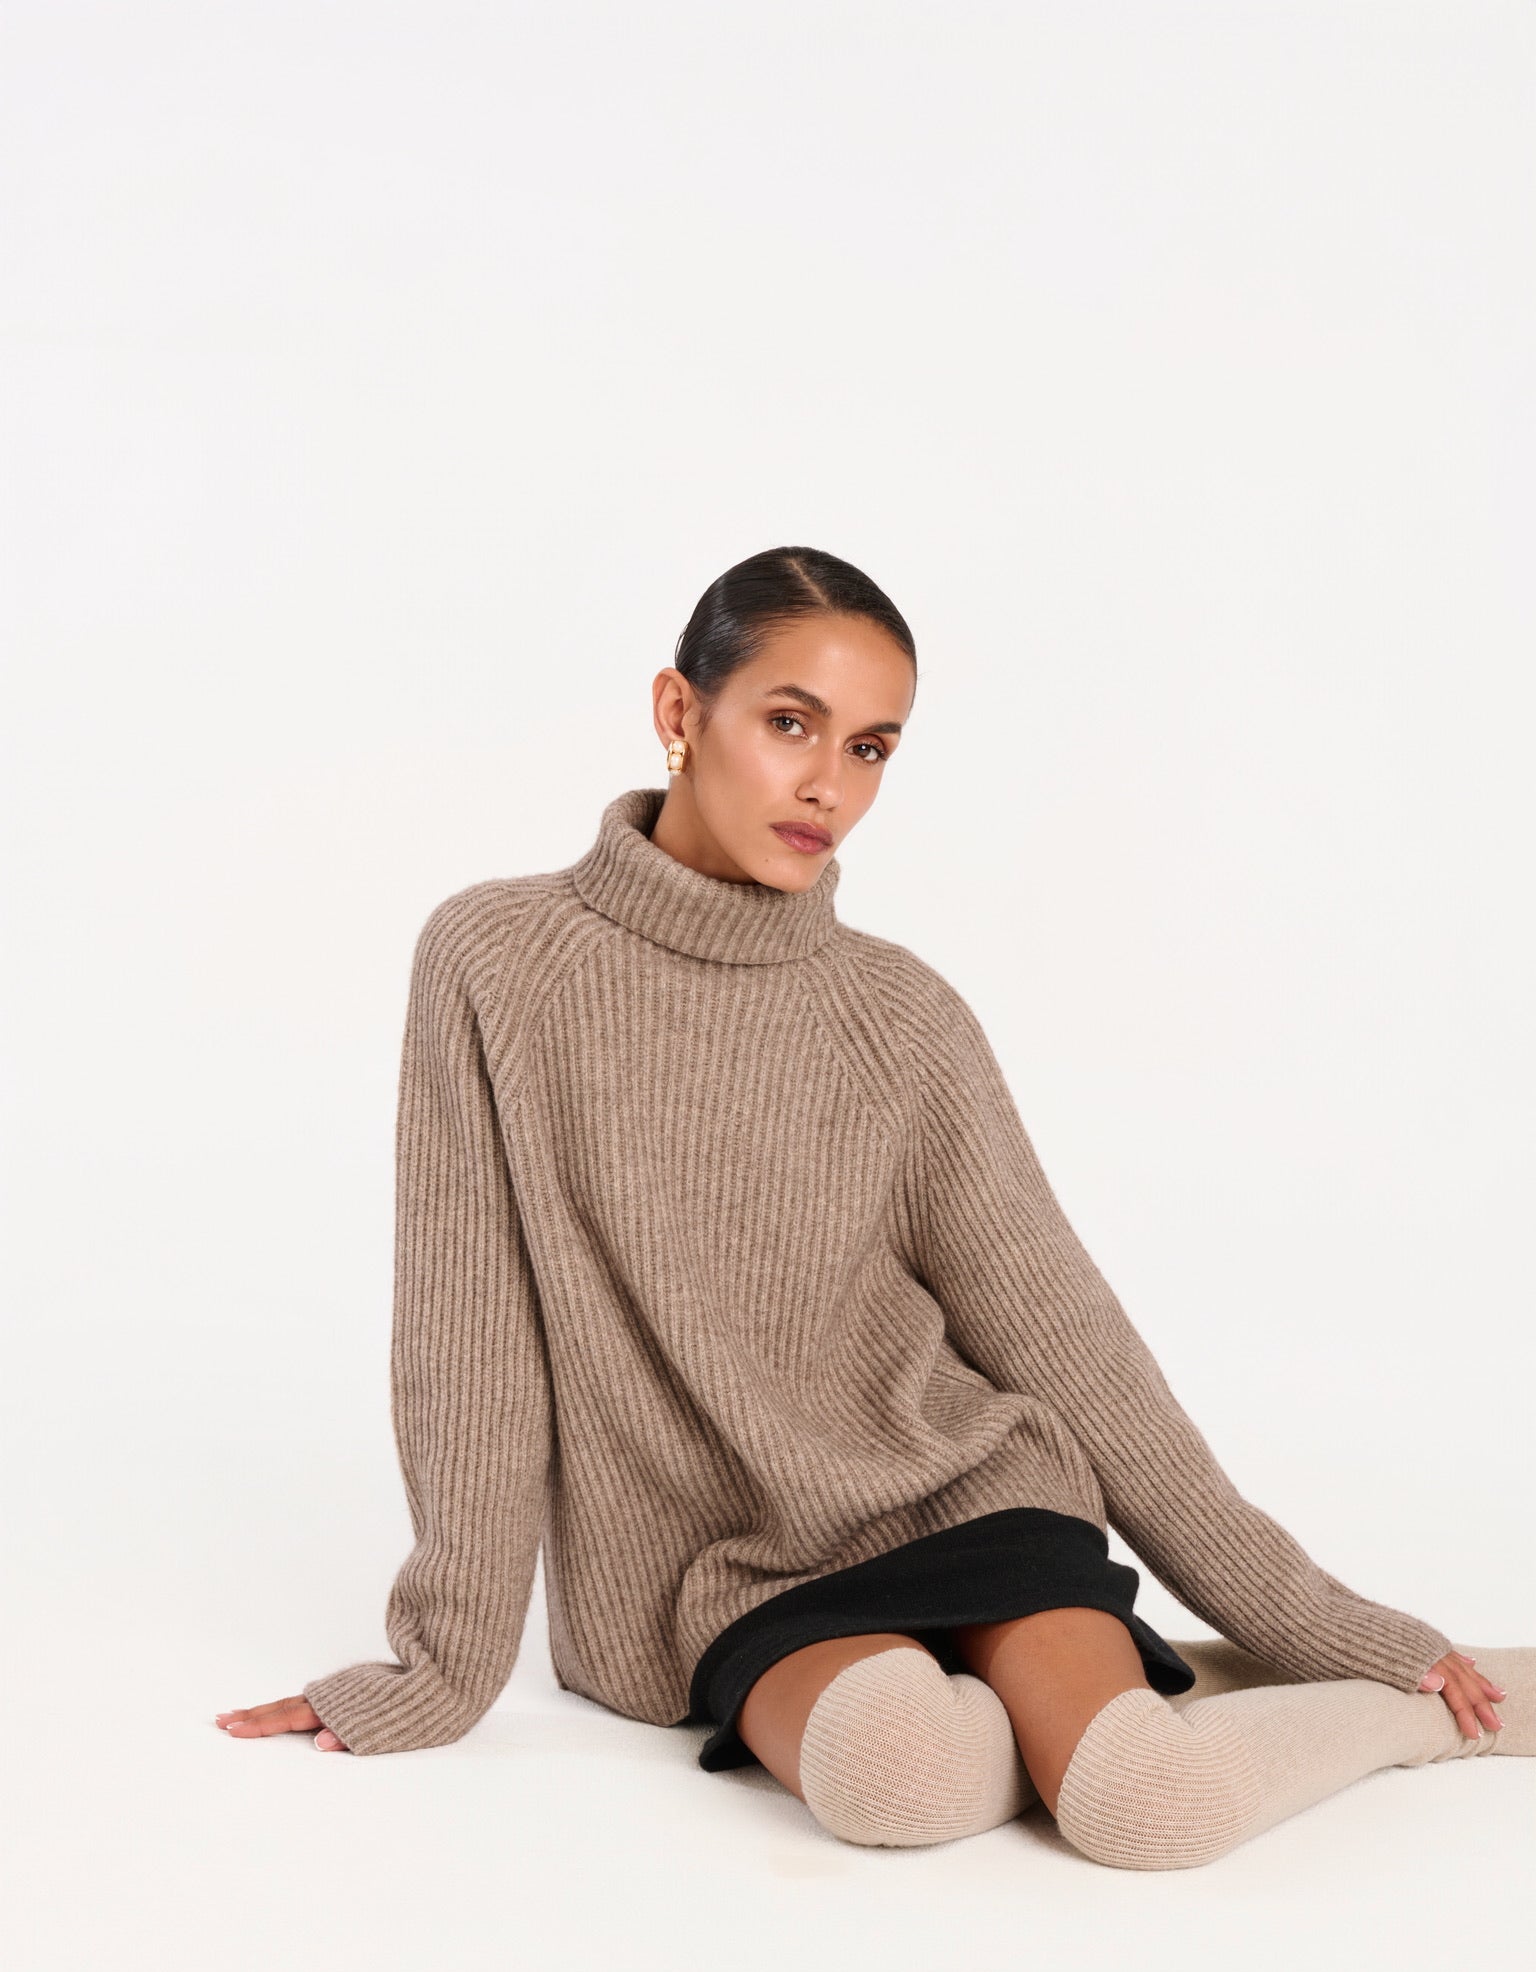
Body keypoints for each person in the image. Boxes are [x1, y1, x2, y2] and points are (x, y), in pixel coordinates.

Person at [215, 544, 1532, 1869]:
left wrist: (1314, 1619)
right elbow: (471, 1338)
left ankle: (1422, 1717)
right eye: (790, 723)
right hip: (730, 1568)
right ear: (680, 712)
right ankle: (1139, 1691)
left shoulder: (900, 1015)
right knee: (899, 1781)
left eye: (871, 749)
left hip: (967, 1495)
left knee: (1146, 1810)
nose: (828, 787)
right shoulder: (496, 962)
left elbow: (1068, 1340)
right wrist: (441, 1669)